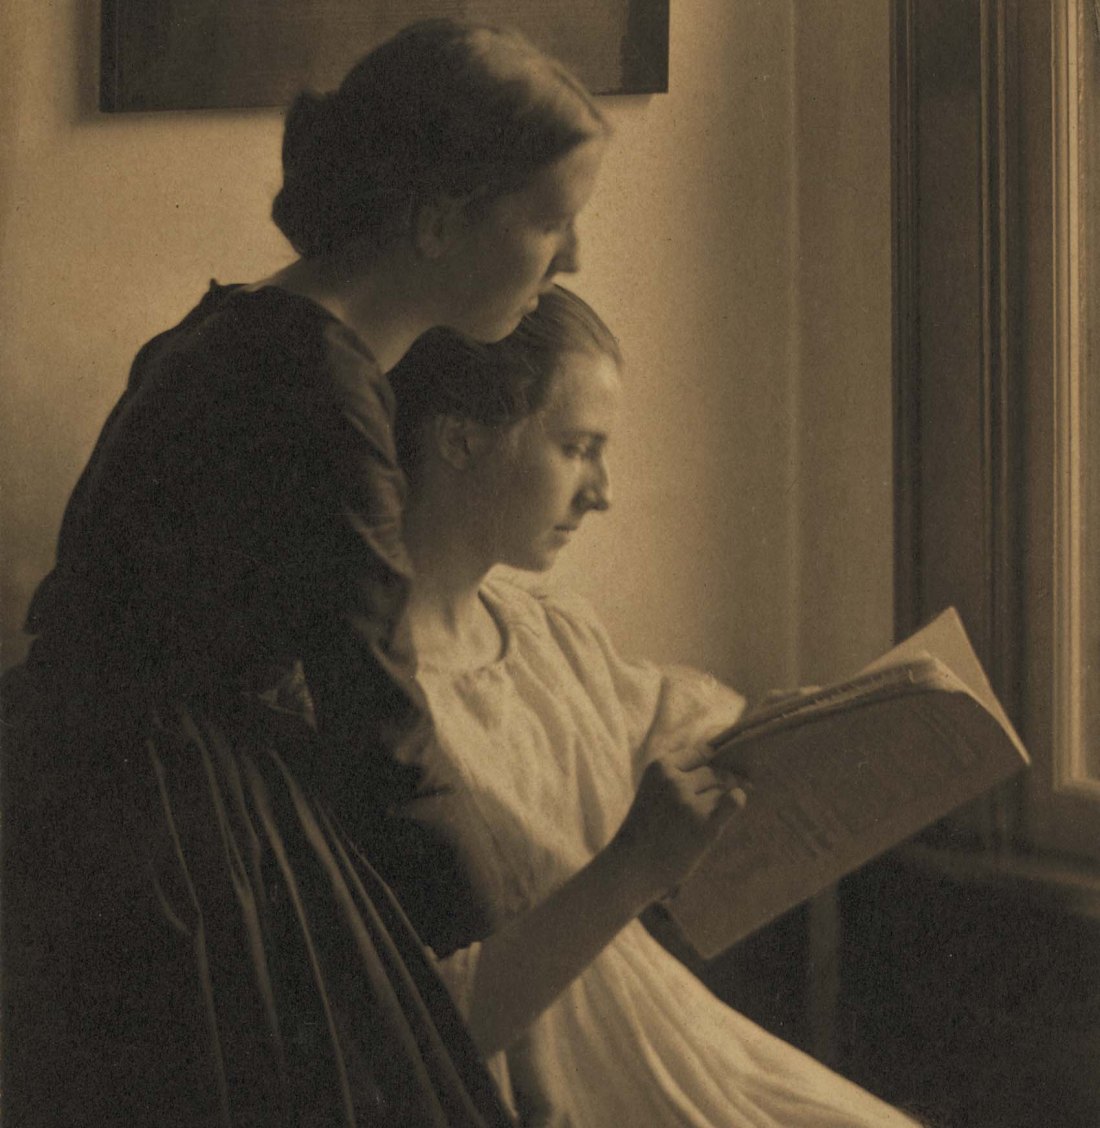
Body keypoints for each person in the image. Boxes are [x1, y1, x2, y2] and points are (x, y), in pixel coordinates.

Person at [1, 20, 607, 1127]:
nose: (568, 261)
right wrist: (513, 901)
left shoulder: (240, 325)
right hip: (162, 825)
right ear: (437, 221)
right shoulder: (318, 393)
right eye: (551, 222)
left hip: (100, 771)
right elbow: (374, 706)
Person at [386, 285, 927, 1126]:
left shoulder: (548, 637)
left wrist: (801, 734)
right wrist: (634, 865)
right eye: (578, 448)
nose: (602, 492)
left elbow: (672, 721)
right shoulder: (382, 704)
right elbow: (423, 1029)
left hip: (675, 1041)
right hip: (544, 1094)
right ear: (460, 438)